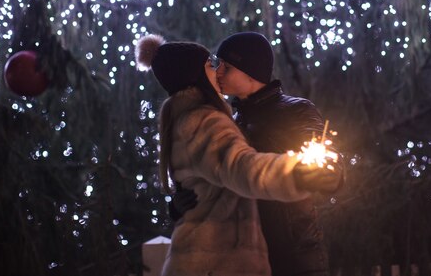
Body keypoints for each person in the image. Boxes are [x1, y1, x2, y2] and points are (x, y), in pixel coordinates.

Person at [135, 34, 341, 276]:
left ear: (250, 72)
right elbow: (226, 171)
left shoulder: (296, 110)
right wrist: (182, 204)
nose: (218, 71)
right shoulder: (223, 122)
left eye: (227, 66)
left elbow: (324, 154)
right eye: (216, 64)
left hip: (291, 250)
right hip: (244, 254)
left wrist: (324, 173)